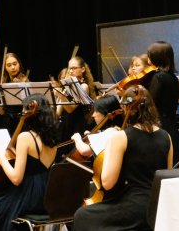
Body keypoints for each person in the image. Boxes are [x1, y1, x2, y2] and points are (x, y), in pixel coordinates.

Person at [73, 85, 172, 230]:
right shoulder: (166, 137)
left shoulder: (120, 137)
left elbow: (107, 183)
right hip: (158, 208)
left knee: (82, 215)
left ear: (126, 108)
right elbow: (166, 178)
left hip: (132, 208)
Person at [0, 94, 59, 231]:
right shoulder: (52, 140)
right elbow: (21, 155)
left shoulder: (25, 137)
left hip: (27, 196)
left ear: (30, 112)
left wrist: (1, 157)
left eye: (23, 111)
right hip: (45, 196)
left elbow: (16, 179)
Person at [145, 41, 179, 162]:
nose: (147, 57)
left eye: (149, 54)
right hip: (171, 125)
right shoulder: (173, 77)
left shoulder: (158, 77)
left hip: (159, 126)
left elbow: (151, 103)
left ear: (156, 56)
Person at [55, 56, 96, 157]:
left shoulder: (84, 86)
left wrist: (61, 95)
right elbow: (57, 113)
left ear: (82, 69)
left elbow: (70, 109)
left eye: (74, 68)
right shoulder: (67, 87)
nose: (71, 71)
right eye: (69, 68)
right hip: (66, 127)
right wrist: (58, 98)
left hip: (77, 127)